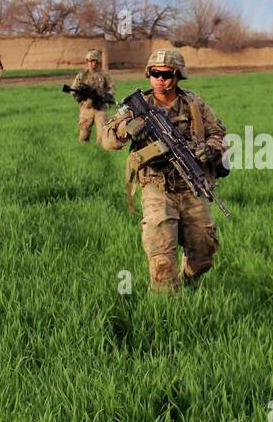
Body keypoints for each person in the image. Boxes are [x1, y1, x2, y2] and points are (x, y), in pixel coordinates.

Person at [100, 49, 227, 294]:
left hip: (192, 187)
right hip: (157, 189)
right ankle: (167, 310)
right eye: (154, 73)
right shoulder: (137, 106)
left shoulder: (194, 104)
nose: (160, 79)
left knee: (204, 256)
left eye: (166, 74)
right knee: (161, 262)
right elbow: (107, 139)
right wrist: (126, 128)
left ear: (178, 75)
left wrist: (210, 150)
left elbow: (219, 134)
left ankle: (187, 279)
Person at [71, 49, 114, 143]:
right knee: (84, 134)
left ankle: (101, 152)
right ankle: (83, 152)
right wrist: (80, 98)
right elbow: (73, 89)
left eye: (94, 61)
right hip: (87, 108)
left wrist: (107, 96)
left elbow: (111, 88)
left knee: (102, 134)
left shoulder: (104, 75)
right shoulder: (82, 75)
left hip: (100, 108)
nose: (91, 63)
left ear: (98, 62)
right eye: (89, 61)